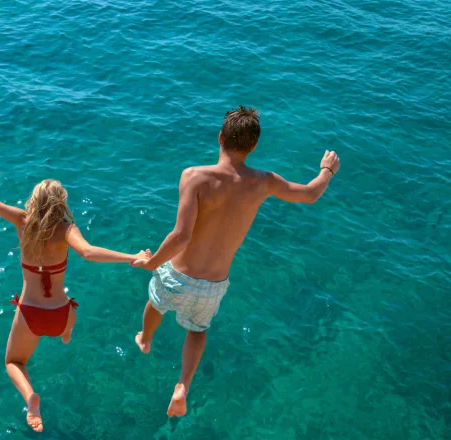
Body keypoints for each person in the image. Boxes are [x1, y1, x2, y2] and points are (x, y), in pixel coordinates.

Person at [131, 106, 340, 417]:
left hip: (178, 274)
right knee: (197, 330)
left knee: (155, 302)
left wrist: (152, 262)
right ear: (253, 146)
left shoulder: (195, 176)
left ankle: (145, 339)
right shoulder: (264, 181)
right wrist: (327, 170)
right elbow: (310, 194)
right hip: (214, 284)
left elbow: (181, 236)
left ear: (220, 137)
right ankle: (183, 386)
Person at [0, 158, 149, 432]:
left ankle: (30, 397)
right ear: (60, 203)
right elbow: (89, 253)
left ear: (35, 200)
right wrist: (133, 257)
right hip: (61, 315)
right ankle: (66, 334)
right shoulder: (67, 229)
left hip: (30, 314)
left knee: (13, 362)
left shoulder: (22, 221)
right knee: (71, 305)